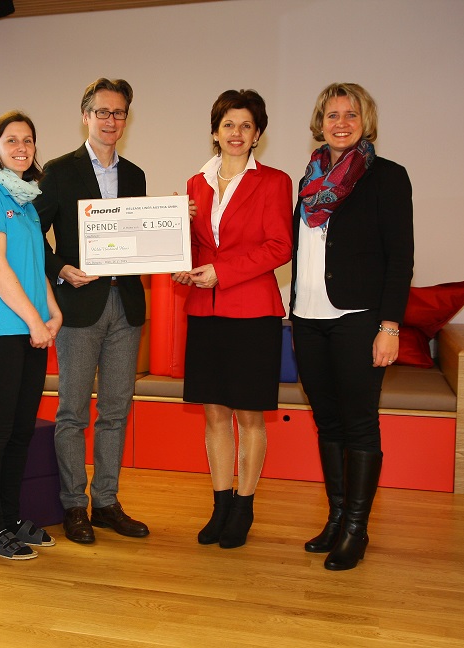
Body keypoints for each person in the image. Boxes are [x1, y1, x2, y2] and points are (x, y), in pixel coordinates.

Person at [290, 83, 414, 571]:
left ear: (366, 122)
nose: (340, 123)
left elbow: (400, 258)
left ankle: (356, 530)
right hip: (307, 318)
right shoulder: (309, 180)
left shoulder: (387, 177)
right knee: (327, 421)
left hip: (359, 319)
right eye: (332, 115)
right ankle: (337, 518)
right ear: (319, 123)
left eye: (350, 115)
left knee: (359, 423)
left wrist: (390, 326)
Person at [172, 89, 293, 549]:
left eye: (246, 125)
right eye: (228, 125)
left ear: (258, 133)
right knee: (215, 414)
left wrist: (222, 272)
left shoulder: (275, 182)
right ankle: (220, 504)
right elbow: (192, 246)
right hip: (205, 311)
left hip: (253, 311)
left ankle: (244, 505)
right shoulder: (195, 183)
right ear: (215, 131)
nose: (236, 133)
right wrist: (180, 257)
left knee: (249, 416)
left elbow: (280, 246)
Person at [34, 78, 149, 544]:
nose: (110, 120)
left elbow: (140, 237)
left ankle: (105, 502)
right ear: (86, 116)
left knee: (116, 411)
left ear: (126, 118)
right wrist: (61, 269)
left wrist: (173, 228)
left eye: (118, 112)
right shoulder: (59, 172)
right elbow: (32, 234)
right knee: (73, 412)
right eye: (102, 112)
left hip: (126, 305)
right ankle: (73, 505)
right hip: (79, 306)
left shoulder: (136, 175)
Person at [0, 110, 63, 560]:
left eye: (28, 140)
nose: (21, 147)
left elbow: (33, 266)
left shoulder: (26, 201)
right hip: (1, 332)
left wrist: (52, 311)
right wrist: (34, 321)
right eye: (11, 140)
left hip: (31, 330)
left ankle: (10, 517)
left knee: (21, 432)